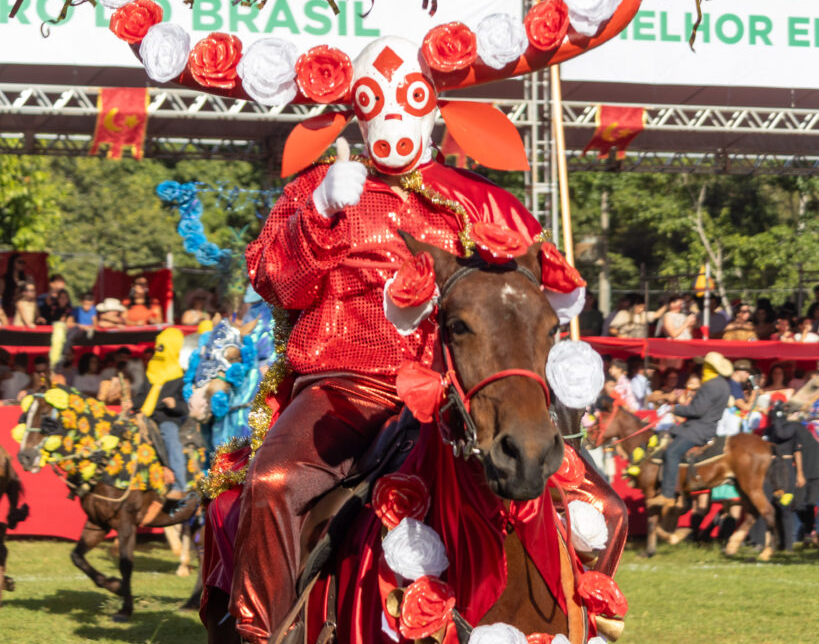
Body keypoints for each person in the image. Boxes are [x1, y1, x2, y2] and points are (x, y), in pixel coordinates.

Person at [226, 35, 589, 643]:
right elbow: (277, 283)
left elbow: (531, 290)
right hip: (344, 393)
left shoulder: (476, 202)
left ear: (434, 107)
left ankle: (582, 615)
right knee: (271, 484)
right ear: (356, 113)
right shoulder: (318, 191)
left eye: (410, 99)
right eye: (376, 102)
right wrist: (317, 211)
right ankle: (260, 636)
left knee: (593, 503)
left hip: (458, 392)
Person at [651, 351, 734, 508]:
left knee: (671, 452)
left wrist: (676, 408)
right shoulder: (723, 384)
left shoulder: (710, 385)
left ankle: (667, 494)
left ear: (709, 367)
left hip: (697, 430)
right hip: (708, 427)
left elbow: (697, 410)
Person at [131, 327, 189, 496]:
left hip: (167, 418)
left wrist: (174, 404)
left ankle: (179, 485)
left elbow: (185, 407)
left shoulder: (180, 376)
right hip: (145, 416)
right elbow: (142, 397)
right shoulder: (151, 371)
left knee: (170, 437)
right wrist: (131, 404)